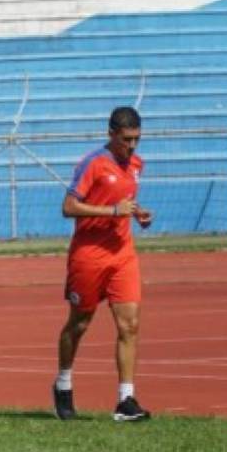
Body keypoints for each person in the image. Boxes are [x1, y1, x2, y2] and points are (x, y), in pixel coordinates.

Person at [54, 106, 154, 422]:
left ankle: (125, 400)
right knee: (80, 324)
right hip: (89, 254)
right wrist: (112, 211)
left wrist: (136, 213)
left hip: (122, 253)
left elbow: (123, 200)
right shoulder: (93, 164)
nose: (133, 146)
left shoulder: (137, 164)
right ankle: (63, 384)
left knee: (130, 324)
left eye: (137, 139)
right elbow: (68, 207)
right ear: (111, 134)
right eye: (127, 140)